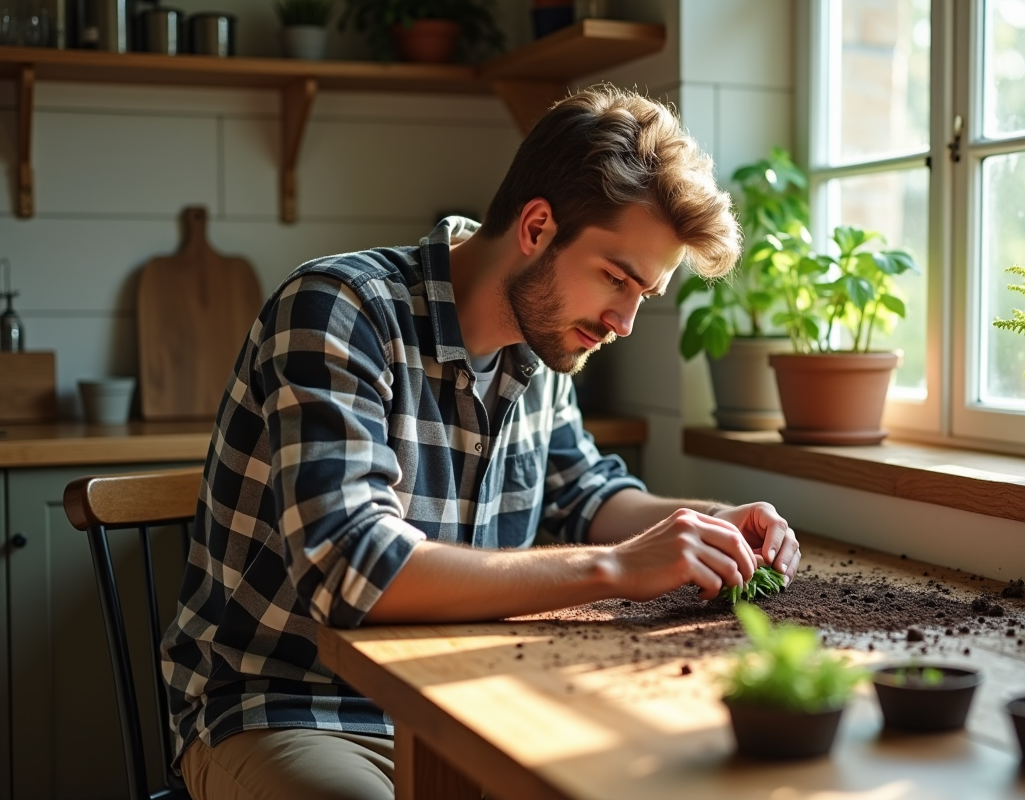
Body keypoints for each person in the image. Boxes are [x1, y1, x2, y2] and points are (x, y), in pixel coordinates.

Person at [163, 84, 801, 800]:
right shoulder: (341, 310)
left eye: (642, 296)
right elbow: (354, 571)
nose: (623, 321)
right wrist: (615, 569)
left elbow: (584, 494)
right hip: (292, 709)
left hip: (468, 696)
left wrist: (712, 525)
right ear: (535, 228)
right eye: (616, 279)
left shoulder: (547, 342)